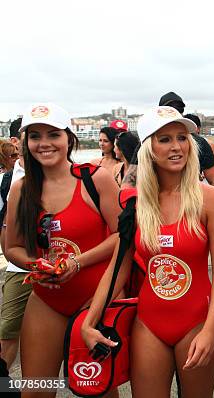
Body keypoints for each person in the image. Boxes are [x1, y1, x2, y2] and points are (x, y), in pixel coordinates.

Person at [81, 106, 214, 397]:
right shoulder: (136, 206)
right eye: (164, 139)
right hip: (148, 325)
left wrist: (211, 328)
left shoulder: (209, 199)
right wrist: (88, 322)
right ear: (149, 149)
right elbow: (118, 269)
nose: (176, 147)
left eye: (181, 138)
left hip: (197, 322)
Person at [4, 103, 121, 394]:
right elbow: (13, 248)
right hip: (46, 301)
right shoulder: (21, 188)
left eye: (52, 134)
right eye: (35, 136)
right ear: (25, 142)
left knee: (97, 390)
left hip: (93, 302)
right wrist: (40, 267)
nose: (44, 144)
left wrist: (77, 263)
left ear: (69, 138)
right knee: (36, 390)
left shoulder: (96, 179)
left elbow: (123, 237)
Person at [0, 118, 27, 371]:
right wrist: (11, 255)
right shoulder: (7, 181)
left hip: (64, 265)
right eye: (31, 135)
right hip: (19, 268)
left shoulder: (68, 173)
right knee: (8, 331)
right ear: (15, 142)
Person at [159, 92, 214, 190]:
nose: (176, 147)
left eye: (179, 109)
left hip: (192, 199)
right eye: (169, 109)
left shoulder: (200, 143)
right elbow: (134, 177)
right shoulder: (149, 142)